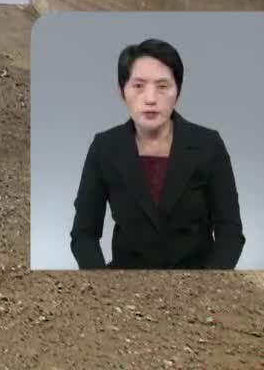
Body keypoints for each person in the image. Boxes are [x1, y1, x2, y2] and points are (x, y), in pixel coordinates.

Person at [70, 38, 245, 269]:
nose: (150, 99)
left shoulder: (208, 145)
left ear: (178, 92)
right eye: (138, 86)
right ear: (122, 91)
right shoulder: (104, 147)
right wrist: (103, 287)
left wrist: (209, 286)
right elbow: (83, 235)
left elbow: (230, 231)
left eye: (163, 86)